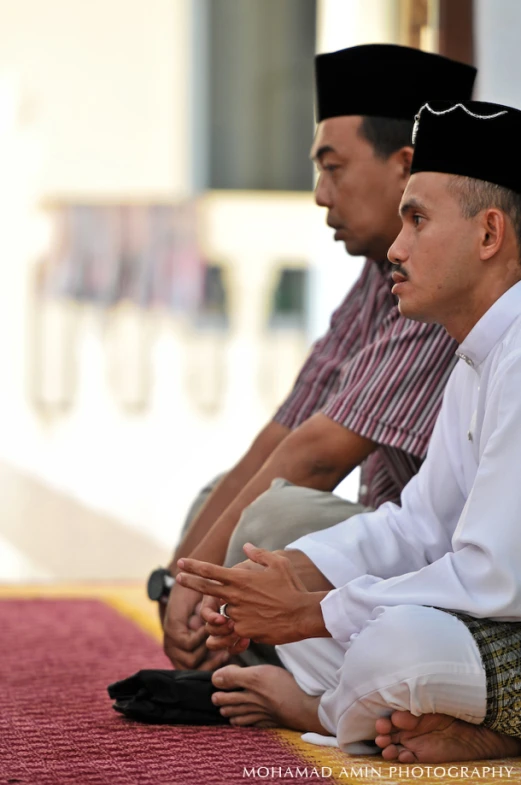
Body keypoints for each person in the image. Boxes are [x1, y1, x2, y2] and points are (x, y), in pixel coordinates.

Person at [177, 99, 521, 764]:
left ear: (487, 234)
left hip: (503, 611)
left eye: (416, 220)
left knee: (400, 644)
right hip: (494, 621)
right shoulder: (478, 354)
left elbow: (495, 576)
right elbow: (416, 526)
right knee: (343, 611)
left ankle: (325, 708)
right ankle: (420, 714)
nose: (395, 248)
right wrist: (286, 582)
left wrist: (311, 611)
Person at [157, 45, 476, 672]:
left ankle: (281, 676)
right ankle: (258, 661)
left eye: (333, 169)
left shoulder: (456, 290)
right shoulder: (379, 277)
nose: (319, 195)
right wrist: (180, 578)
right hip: (404, 540)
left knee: (274, 515)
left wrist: (201, 585)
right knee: (221, 503)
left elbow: (319, 456)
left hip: (448, 572)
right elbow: (287, 431)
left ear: (405, 168)